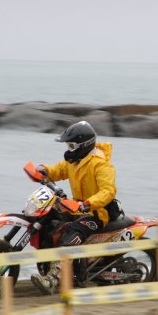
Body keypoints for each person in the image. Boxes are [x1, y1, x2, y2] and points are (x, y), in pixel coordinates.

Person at [30, 120, 118, 295]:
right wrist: (44, 170)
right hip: (77, 207)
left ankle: (53, 280)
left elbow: (108, 191)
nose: (69, 149)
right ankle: (51, 262)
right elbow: (59, 170)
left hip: (97, 213)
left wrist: (86, 204)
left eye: (71, 145)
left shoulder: (101, 164)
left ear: (84, 145)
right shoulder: (74, 161)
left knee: (72, 234)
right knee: (49, 217)